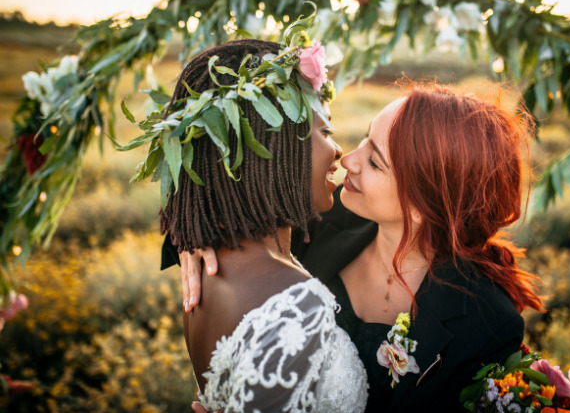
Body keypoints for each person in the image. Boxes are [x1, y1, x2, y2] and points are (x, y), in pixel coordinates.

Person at [168, 83, 544, 411]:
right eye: (364, 138)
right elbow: (229, 187)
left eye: (375, 162)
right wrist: (196, 233)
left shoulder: (485, 321)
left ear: (421, 206)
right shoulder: (316, 223)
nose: (349, 159)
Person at [150, 36, 368, 412]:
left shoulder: (211, 269)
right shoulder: (294, 301)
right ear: (273, 145)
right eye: (325, 131)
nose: (339, 152)